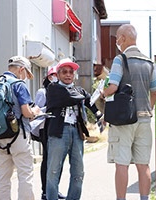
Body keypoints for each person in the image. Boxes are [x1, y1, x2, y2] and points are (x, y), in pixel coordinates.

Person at [102, 24, 156, 200]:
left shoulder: (121, 60)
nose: (117, 41)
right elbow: (155, 90)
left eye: (118, 37)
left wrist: (102, 92)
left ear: (124, 38)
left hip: (124, 119)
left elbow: (112, 87)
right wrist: (149, 107)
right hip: (144, 119)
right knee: (143, 165)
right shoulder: (149, 62)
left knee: (122, 163)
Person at [45, 58, 100, 200]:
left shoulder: (78, 90)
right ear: (57, 74)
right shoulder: (53, 88)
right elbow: (71, 97)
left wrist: (100, 115)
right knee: (53, 170)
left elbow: (90, 101)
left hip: (77, 132)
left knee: (78, 171)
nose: (68, 75)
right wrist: (84, 96)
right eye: (64, 72)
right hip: (58, 132)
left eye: (71, 72)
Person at [0, 56, 41, 200]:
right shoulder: (18, 84)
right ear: (21, 69)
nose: (26, 78)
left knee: (3, 176)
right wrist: (36, 111)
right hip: (19, 135)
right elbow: (26, 112)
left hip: (1, 136)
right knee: (25, 174)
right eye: (26, 74)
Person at [34, 65, 66, 200]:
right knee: (47, 159)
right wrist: (52, 106)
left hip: (58, 127)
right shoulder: (42, 91)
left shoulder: (62, 90)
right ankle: (45, 191)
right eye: (53, 75)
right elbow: (38, 110)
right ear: (48, 77)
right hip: (45, 128)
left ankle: (54, 189)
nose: (55, 78)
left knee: (58, 160)